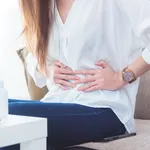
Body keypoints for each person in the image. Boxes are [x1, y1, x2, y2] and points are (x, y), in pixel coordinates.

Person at [2, 0, 150, 149]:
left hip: (106, 109)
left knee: (12, 115)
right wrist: (48, 70)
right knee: (3, 107)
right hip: (57, 101)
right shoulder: (43, 5)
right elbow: (32, 56)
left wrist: (122, 76)